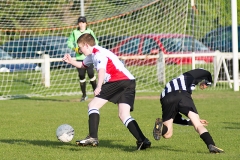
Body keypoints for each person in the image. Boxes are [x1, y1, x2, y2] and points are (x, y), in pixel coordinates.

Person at [63, 33, 151, 150]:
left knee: (93, 105)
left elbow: (101, 70)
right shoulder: (93, 54)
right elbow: (82, 65)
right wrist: (70, 61)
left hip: (117, 80)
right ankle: (143, 140)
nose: (80, 50)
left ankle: (92, 137)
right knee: (124, 115)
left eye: (80, 47)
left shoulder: (98, 54)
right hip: (129, 81)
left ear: (86, 45)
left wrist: (98, 86)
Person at [153, 68, 224, 153]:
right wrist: (207, 83)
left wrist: (189, 122)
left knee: (167, 134)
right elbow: (206, 72)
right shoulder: (187, 76)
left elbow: (176, 119)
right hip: (182, 95)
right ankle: (211, 145)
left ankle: (160, 127)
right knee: (198, 125)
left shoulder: (170, 85)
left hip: (166, 98)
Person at [67, 16, 98, 102]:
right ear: (78, 24)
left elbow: (95, 42)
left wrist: (92, 50)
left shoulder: (89, 31)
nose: (81, 24)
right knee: (81, 76)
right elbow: (69, 42)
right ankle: (84, 95)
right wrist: (75, 49)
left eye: (83, 22)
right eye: (80, 22)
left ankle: (97, 93)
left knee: (91, 74)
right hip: (79, 58)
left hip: (89, 57)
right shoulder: (74, 32)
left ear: (86, 23)